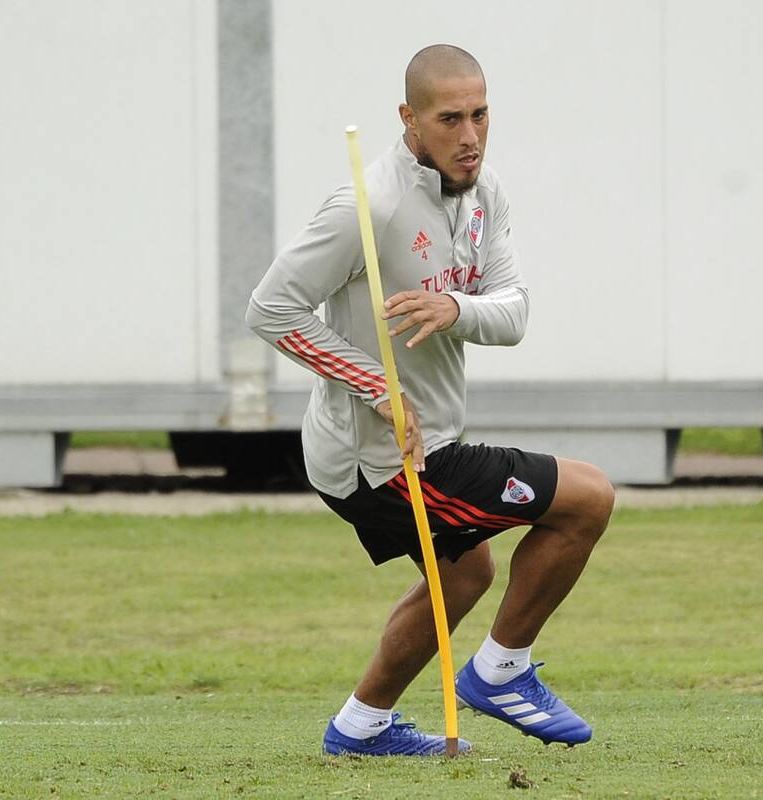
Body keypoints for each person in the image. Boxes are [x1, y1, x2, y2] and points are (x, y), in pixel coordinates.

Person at [245, 44, 615, 756]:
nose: (469, 135)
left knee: (466, 574)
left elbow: (512, 314)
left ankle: (360, 727)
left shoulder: (486, 193)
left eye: (480, 115)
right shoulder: (367, 203)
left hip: (432, 441)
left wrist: (453, 307)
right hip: (379, 460)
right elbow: (271, 311)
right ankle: (501, 672)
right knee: (588, 499)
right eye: (450, 119)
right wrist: (378, 387)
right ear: (409, 118)